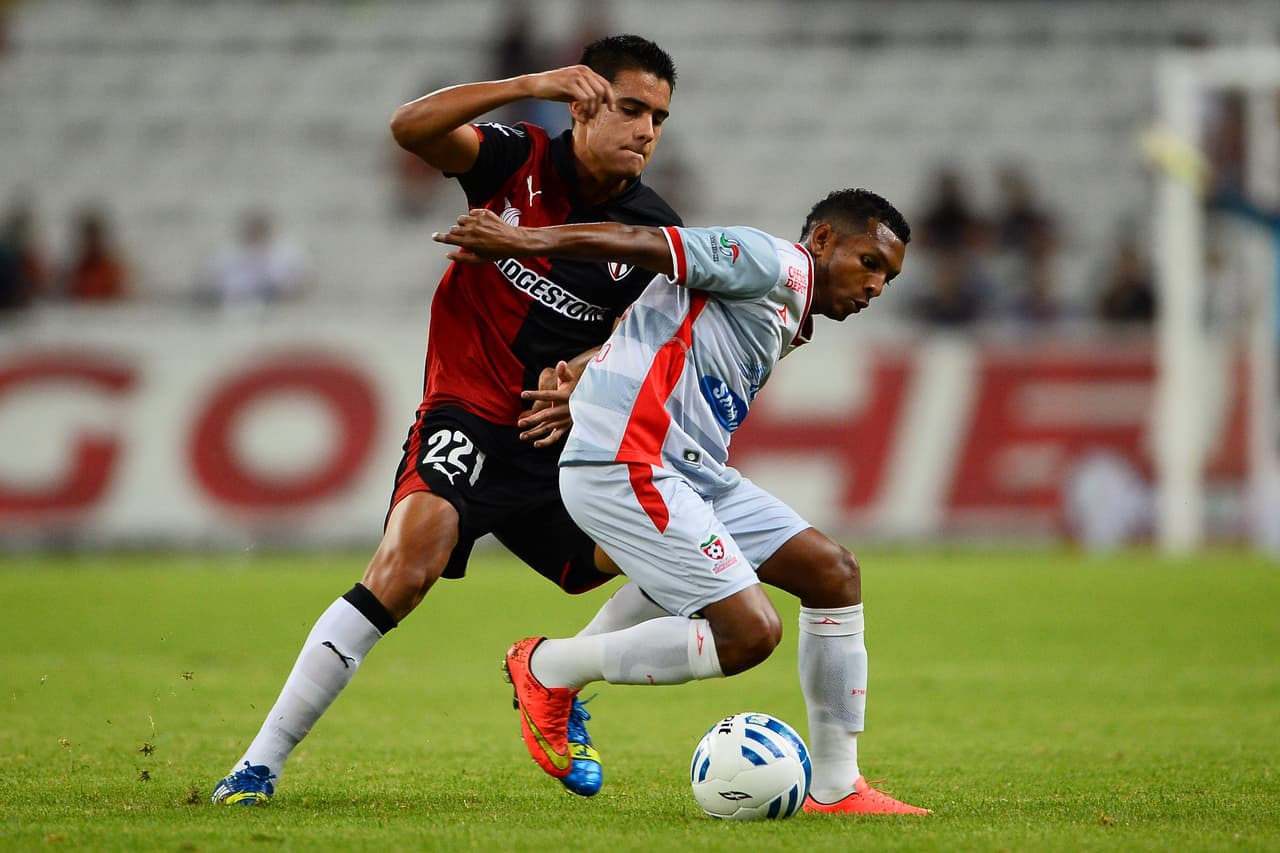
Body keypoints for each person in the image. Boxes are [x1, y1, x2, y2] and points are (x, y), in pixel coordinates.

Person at [211, 34, 681, 805]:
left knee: (676, 550)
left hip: (555, 441)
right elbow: (411, 128)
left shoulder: (651, 228)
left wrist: (585, 381)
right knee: (409, 560)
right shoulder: (515, 160)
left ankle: (554, 676)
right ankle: (258, 763)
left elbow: (648, 340)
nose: (646, 131)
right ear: (581, 102)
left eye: (659, 117)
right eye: (630, 108)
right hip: (467, 408)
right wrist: (528, 79)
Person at [433, 187, 931, 815]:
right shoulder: (776, 263)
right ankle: (549, 667)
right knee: (749, 634)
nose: (877, 287)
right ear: (825, 240)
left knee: (833, 574)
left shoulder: (788, 310)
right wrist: (527, 240)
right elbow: (650, 247)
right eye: (870, 263)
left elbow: (655, 322)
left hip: (691, 470)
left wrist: (588, 382)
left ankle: (836, 788)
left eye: (888, 276)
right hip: (629, 461)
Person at [200, 209, 309, 311]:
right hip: (234, 300)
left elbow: (299, 281)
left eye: (258, 231)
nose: (255, 235)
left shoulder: (286, 253)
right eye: (252, 231)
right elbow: (214, 282)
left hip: (275, 300)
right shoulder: (230, 254)